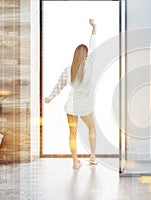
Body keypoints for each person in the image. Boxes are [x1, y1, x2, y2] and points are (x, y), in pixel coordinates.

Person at [44, 19, 97, 169]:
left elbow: (59, 86)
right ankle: (92, 157)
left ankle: (75, 161)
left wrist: (50, 97)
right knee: (92, 128)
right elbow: (93, 47)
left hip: (71, 107)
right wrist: (94, 27)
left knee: (72, 134)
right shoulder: (90, 66)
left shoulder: (68, 70)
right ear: (86, 55)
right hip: (85, 106)